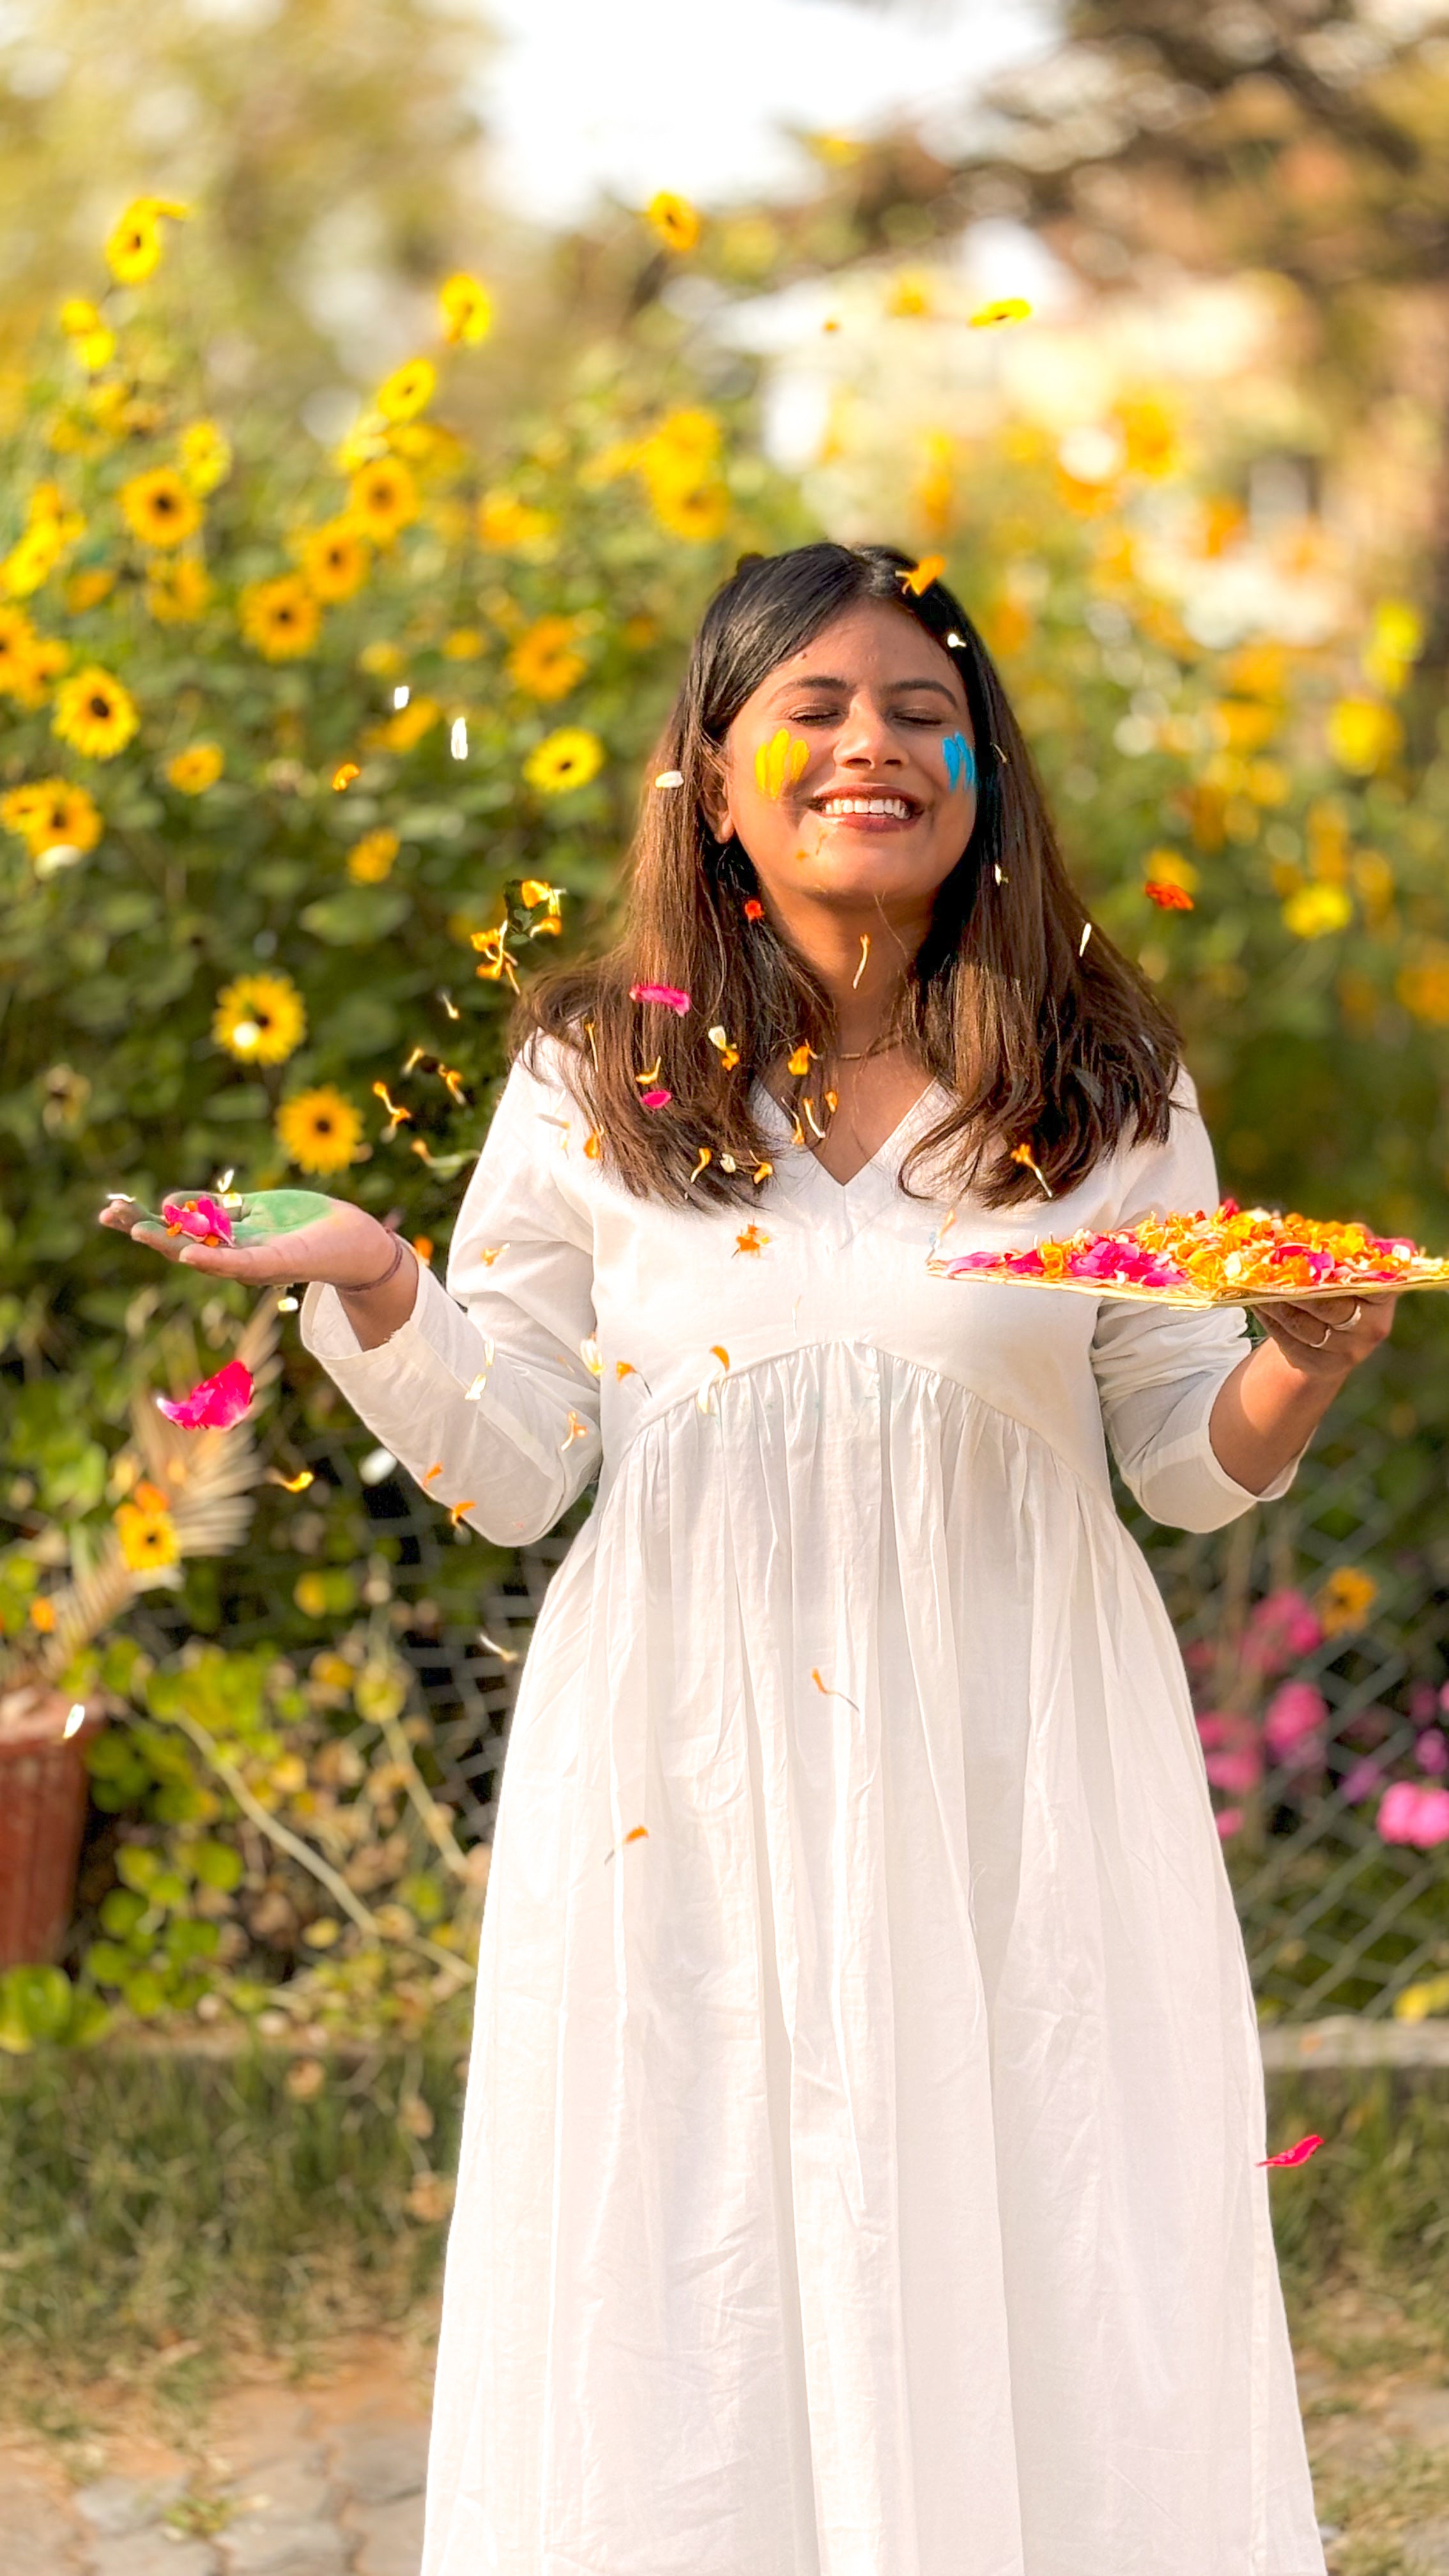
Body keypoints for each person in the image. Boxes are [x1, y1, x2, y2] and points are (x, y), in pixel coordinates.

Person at [102, 542, 1392, 2576]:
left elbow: (1180, 1459)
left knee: (1044, 2215)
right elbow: (516, 1466)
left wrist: (1295, 1373)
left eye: (917, 710)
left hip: (1014, 1770)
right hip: (686, 1779)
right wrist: (371, 1280)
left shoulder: (1103, 1085)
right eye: (812, 707)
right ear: (709, 776)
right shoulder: (590, 1081)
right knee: (694, 2236)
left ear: (981, 775)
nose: (869, 744)